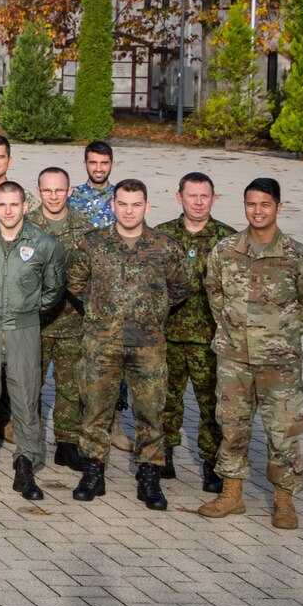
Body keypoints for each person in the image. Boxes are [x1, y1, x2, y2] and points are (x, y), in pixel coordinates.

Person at [199, 177, 303, 529]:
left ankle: (284, 501)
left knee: (283, 430)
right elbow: (215, 295)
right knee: (232, 426)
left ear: (278, 207)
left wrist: (283, 334)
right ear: (244, 206)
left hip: (280, 363)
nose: (258, 211)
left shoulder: (298, 255)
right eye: (251, 204)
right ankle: (232, 494)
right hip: (234, 358)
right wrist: (235, 331)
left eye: (265, 204)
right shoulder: (224, 251)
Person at [65, 179, 188, 509]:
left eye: (136, 204)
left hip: (148, 345)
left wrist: (152, 311)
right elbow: (76, 282)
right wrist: (102, 310)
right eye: (123, 203)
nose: (129, 210)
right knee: (94, 411)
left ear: (147, 206)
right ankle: (93, 473)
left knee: (150, 413)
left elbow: (179, 287)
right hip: (103, 343)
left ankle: (149, 477)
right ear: (113, 205)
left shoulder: (165, 246)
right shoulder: (93, 244)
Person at [0, 182, 66, 501]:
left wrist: (26, 312)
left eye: (13, 205)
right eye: (2, 205)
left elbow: (54, 289)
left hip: (24, 329)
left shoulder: (45, 244)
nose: (7, 211)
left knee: (26, 396)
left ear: (25, 206)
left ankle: (25, 466)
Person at [155, 172, 234, 492]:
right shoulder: (162, 236)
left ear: (214, 199)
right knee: (165, 400)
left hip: (210, 339)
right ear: (179, 198)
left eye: (205, 196)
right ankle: (164, 454)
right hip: (167, 335)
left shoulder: (228, 240)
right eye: (192, 196)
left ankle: (212, 464)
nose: (198, 202)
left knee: (212, 405)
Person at [28, 166, 89, 468]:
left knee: (71, 387)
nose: (54, 196)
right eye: (47, 190)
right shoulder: (28, 227)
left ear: (70, 191)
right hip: (35, 323)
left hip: (72, 321)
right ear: (39, 192)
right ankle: (30, 443)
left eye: (59, 190)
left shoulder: (84, 228)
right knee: (30, 385)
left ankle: (67, 443)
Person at [68, 140, 117, 228]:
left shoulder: (121, 196)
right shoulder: (70, 196)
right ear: (85, 164)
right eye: (93, 163)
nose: (98, 169)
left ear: (112, 165)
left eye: (104, 163)